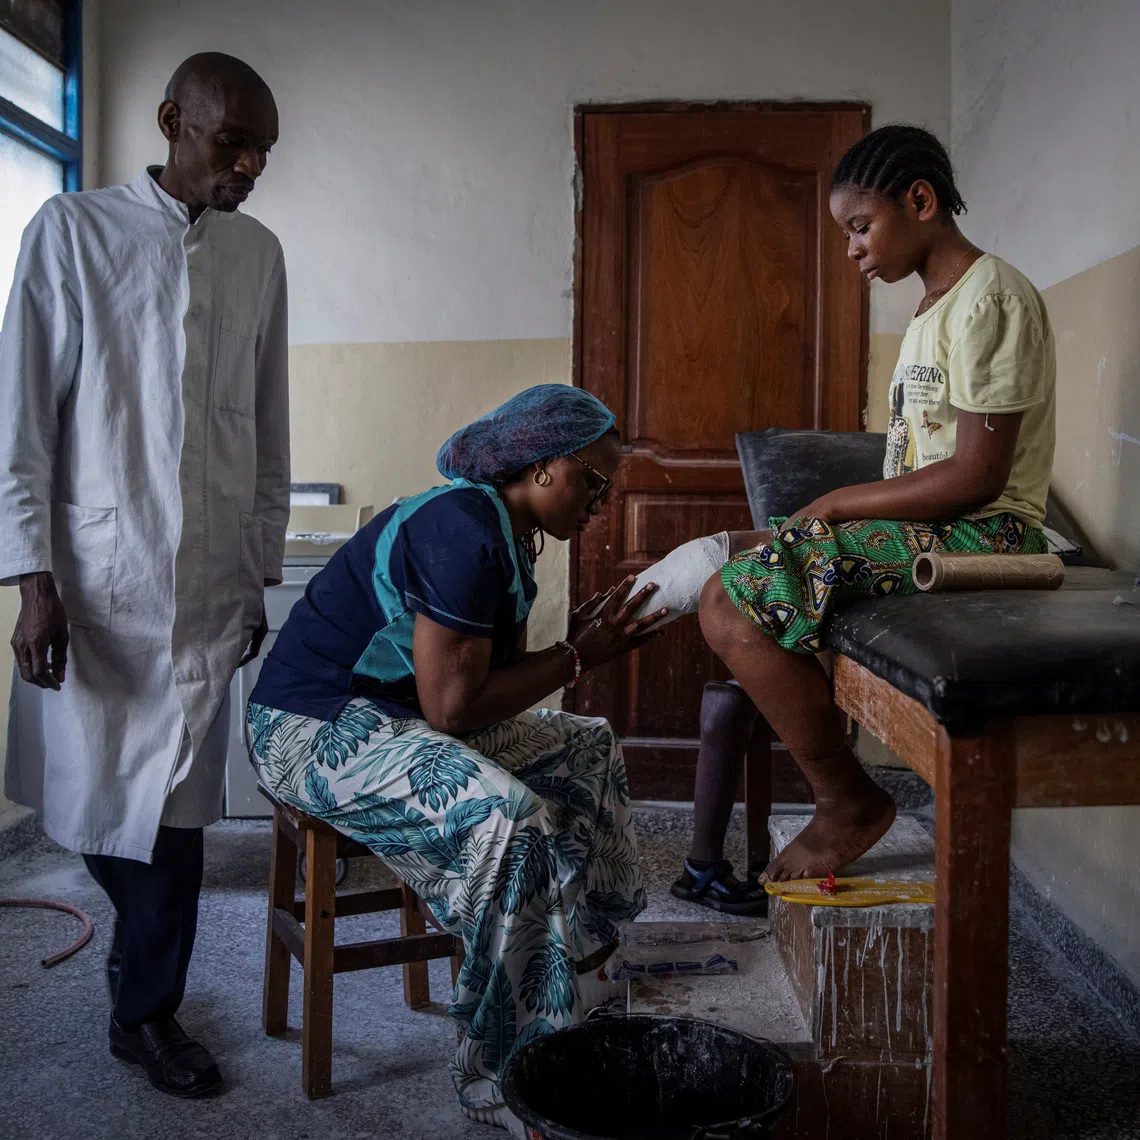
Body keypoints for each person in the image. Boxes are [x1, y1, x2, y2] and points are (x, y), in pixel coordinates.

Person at [246, 385, 663, 1132]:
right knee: (511, 822)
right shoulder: (461, 528)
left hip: (395, 712)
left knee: (586, 746)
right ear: (542, 468)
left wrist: (574, 649)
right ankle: (506, 1075)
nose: (602, 501)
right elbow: (455, 709)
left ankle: (588, 963)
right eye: (594, 482)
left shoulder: (505, 531)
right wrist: (576, 657)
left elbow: (472, 687)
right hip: (311, 724)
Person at [0, 53, 290, 1095]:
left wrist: (258, 570)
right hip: (96, 583)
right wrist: (33, 580)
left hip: (211, 588)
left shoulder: (258, 254)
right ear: (173, 121)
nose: (250, 166)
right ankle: (143, 969)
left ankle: (145, 1012)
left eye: (262, 151)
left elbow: (266, 430)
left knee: (174, 817)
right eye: (230, 143)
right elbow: (21, 421)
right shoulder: (70, 234)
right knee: (92, 806)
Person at [672, 124, 1056, 895]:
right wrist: (829, 522)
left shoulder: (993, 298)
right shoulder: (928, 315)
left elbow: (978, 476)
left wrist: (837, 503)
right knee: (735, 574)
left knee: (731, 601)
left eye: (859, 226)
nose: (852, 248)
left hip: (988, 532)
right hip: (934, 527)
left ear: (920, 201)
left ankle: (845, 796)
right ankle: (841, 786)